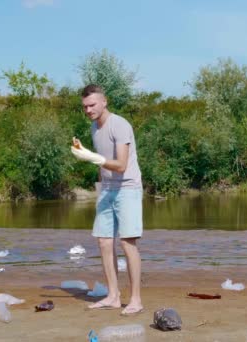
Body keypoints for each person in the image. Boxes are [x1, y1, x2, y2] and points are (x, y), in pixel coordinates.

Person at [71, 84, 144, 316]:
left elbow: (121, 165)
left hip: (128, 188)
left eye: (92, 105)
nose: (89, 110)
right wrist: (92, 162)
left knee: (127, 242)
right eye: (85, 106)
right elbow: (103, 164)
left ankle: (136, 300)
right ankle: (113, 297)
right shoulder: (94, 127)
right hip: (107, 188)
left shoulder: (119, 125)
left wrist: (92, 157)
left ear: (105, 102)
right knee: (103, 241)